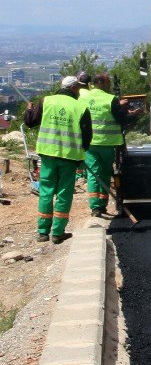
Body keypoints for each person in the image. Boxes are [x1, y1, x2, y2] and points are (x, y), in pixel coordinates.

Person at [24, 76, 93, 244]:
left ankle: (42, 232)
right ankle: (57, 232)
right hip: (69, 157)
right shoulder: (81, 107)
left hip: (48, 155)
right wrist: (81, 153)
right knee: (64, 193)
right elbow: (87, 137)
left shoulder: (46, 101)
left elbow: (30, 122)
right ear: (74, 88)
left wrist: (29, 109)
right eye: (77, 88)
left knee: (46, 191)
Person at [81, 73, 139, 217]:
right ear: (102, 82)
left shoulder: (83, 97)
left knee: (93, 173)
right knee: (106, 172)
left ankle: (95, 207)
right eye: (108, 82)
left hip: (89, 143)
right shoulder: (110, 99)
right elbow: (122, 120)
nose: (110, 85)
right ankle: (102, 204)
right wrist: (135, 113)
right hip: (107, 143)